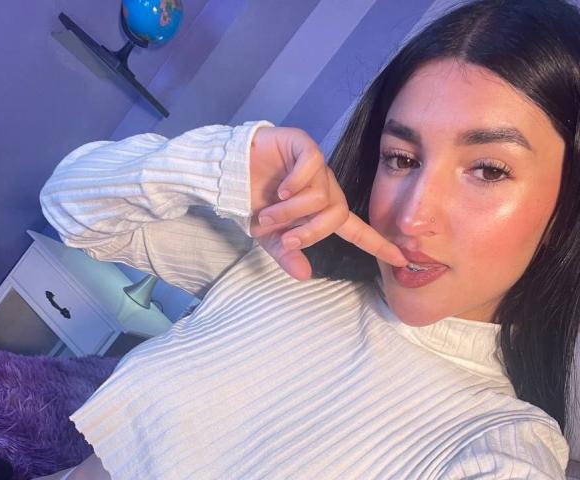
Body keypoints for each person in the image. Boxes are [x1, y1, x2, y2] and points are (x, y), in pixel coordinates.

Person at [37, 0, 580, 478]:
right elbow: (71, 208)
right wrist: (226, 163)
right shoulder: (288, 264)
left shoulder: (499, 447)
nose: (411, 216)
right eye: (400, 159)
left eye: (488, 170)